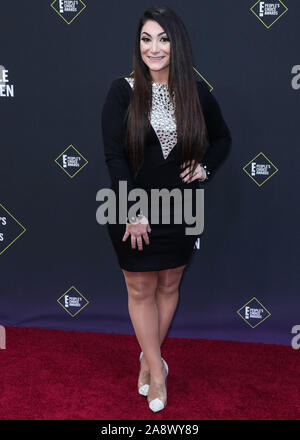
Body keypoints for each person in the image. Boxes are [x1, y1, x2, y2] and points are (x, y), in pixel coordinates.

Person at [101, 5, 232, 412]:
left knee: (169, 286)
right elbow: (114, 157)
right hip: (131, 206)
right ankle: (158, 372)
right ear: (137, 44)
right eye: (146, 38)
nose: (153, 47)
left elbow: (222, 139)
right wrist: (131, 209)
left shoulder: (194, 90)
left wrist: (204, 167)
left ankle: (147, 358)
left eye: (162, 38)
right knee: (139, 288)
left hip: (183, 207)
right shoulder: (121, 91)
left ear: (177, 44)